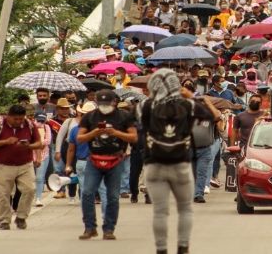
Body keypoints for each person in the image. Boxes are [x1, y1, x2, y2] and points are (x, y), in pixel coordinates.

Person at [141, 69, 196, 254]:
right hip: (181, 162)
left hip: (154, 162)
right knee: (185, 209)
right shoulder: (187, 105)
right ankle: (183, 247)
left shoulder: (146, 105)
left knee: (159, 211)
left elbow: (142, 127)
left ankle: (161, 249)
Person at [77, 90, 137, 240]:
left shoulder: (124, 116)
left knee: (113, 196)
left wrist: (115, 133)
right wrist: (94, 133)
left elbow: (134, 137)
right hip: (94, 159)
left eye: (107, 103)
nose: (104, 106)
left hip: (115, 159)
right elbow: (79, 138)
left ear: (114, 102)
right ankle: (90, 227)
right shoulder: (89, 117)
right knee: (87, 193)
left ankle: (109, 228)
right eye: (101, 103)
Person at [0, 104, 42, 231]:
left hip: (25, 164)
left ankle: (21, 217)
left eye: (21, 119)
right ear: (8, 116)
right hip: (4, 165)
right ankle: (4, 220)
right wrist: (5, 142)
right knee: (3, 193)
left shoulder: (30, 125)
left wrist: (29, 146)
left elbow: (39, 142)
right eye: (15, 119)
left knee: (30, 189)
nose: (19, 122)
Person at [192, 97, 223, 203]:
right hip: (189, 149)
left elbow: (218, 115)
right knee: (191, 173)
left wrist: (208, 102)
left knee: (202, 172)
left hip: (204, 149)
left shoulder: (208, 117)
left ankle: (198, 194)